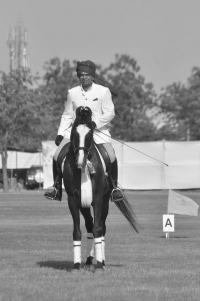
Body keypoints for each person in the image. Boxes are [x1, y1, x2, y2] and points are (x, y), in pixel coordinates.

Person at [44, 60, 124, 202]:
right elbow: (67, 114)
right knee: (57, 154)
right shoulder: (72, 93)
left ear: (93, 76)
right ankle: (56, 187)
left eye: (87, 75)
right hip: (74, 133)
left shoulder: (103, 91)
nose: (84, 77)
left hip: (98, 132)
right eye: (81, 75)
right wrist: (60, 133)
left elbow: (110, 113)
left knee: (111, 154)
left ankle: (114, 188)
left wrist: (96, 123)